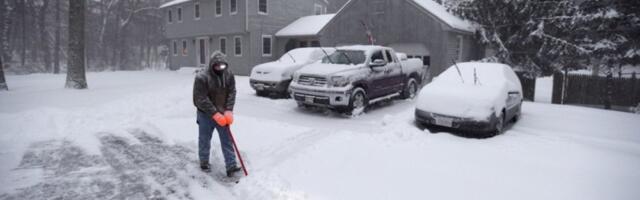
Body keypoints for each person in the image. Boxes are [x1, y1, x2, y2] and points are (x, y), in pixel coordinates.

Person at [193, 51, 241, 177]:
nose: (220, 68)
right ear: (212, 65)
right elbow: (200, 99)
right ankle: (204, 161)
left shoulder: (229, 75)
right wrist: (214, 114)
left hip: (223, 113)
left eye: (222, 65)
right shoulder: (202, 77)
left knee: (227, 139)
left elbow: (232, 92)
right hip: (205, 115)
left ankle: (231, 165)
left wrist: (229, 110)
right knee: (204, 139)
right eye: (217, 65)